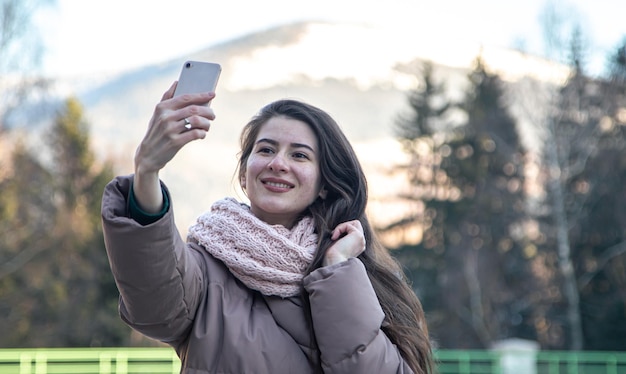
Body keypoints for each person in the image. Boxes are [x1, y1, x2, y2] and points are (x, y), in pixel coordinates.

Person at [101, 81, 434, 374]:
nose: (278, 163)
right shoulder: (203, 269)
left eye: (300, 156)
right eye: (266, 149)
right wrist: (147, 173)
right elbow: (153, 307)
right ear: (245, 175)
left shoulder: (357, 276)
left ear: (324, 184)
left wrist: (338, 272)